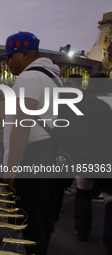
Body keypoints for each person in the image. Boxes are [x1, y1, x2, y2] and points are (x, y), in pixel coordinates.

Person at [0, 32, 65, 254]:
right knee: (43, 219)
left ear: (24, 54)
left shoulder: (28, 78)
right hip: (55, 154)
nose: (7, 62)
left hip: (35, 155)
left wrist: (10, 170)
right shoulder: (52, 76)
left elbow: (20, 127)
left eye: (10, 57)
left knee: (29, 222)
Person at [74, 73, 112, 254]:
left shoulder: (82, 104)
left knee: (83, 191)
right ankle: (109, 239)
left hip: (84, 157)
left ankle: (82, 230)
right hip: (107, 157)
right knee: (109, 198)